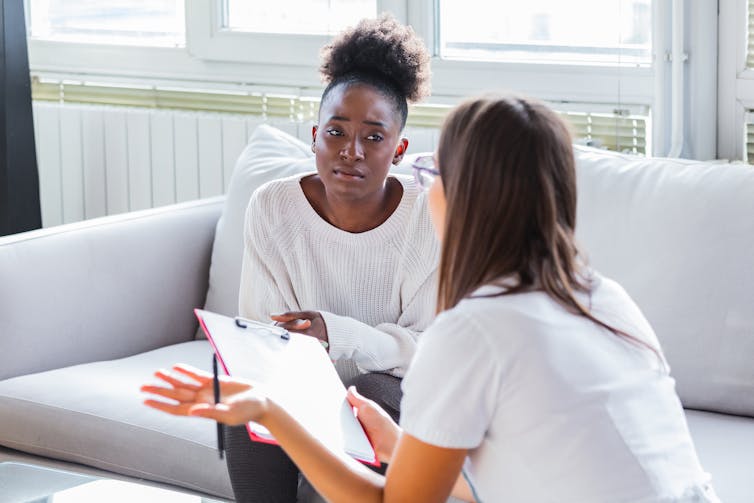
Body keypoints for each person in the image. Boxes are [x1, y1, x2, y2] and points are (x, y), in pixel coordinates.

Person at [143, 93, 719, 502]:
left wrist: (271, 412)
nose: (429, 189)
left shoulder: (473, 331)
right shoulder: (602, 297)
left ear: (468, 196)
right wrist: (401, 446)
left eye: (436, 173)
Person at [209, 14, 436, 502]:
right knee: (246, 394)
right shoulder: (272, 206)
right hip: (302, 384)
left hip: (394, 392)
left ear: (399, 149)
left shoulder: (427, 217)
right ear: (315, 135)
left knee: (368, 394)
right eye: (336, 132)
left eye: (374, 137)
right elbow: (260, 331)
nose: (351, 151)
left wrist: (336, 334)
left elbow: (426, 352)